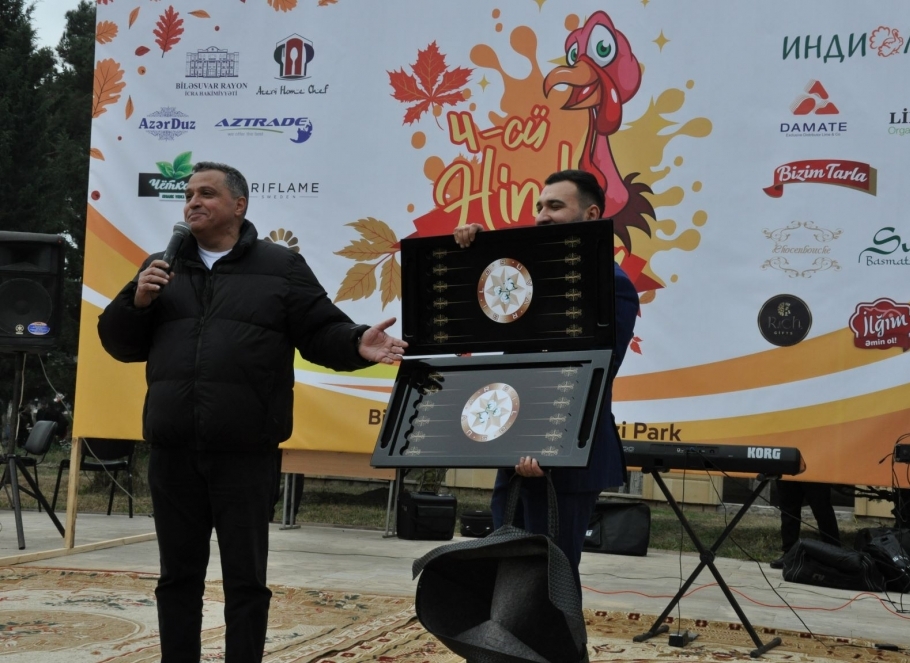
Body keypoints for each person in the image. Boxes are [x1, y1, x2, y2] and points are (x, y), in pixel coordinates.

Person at [97, 161, 407, 663]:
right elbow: (119, 344)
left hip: (245, 453)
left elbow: (320, 331)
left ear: (239, 205)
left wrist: (356, 342)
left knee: (245, 581)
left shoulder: (280, 267)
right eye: (188, 195)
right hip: (173, 452)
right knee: (177, 579)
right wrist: (138, 300)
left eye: (206, 193)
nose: (193, 202)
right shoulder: (161, 266)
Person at [453, 169, 639, 590]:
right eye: (539, 206)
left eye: (555, 205)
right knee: (507, 575)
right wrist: (473, 253)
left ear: (591, 215)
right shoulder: (524, 280)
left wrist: (545, 446)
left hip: (565, 460)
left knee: (551, 579)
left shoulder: (613, 285)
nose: (541, 215)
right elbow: (470, 317)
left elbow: (590, 375)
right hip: (515, 450)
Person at [769, 480, 841, 569]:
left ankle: (834, 554)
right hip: (788, 473)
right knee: (788, 510)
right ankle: (789, 554)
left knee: (822, 508)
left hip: (815, 473)